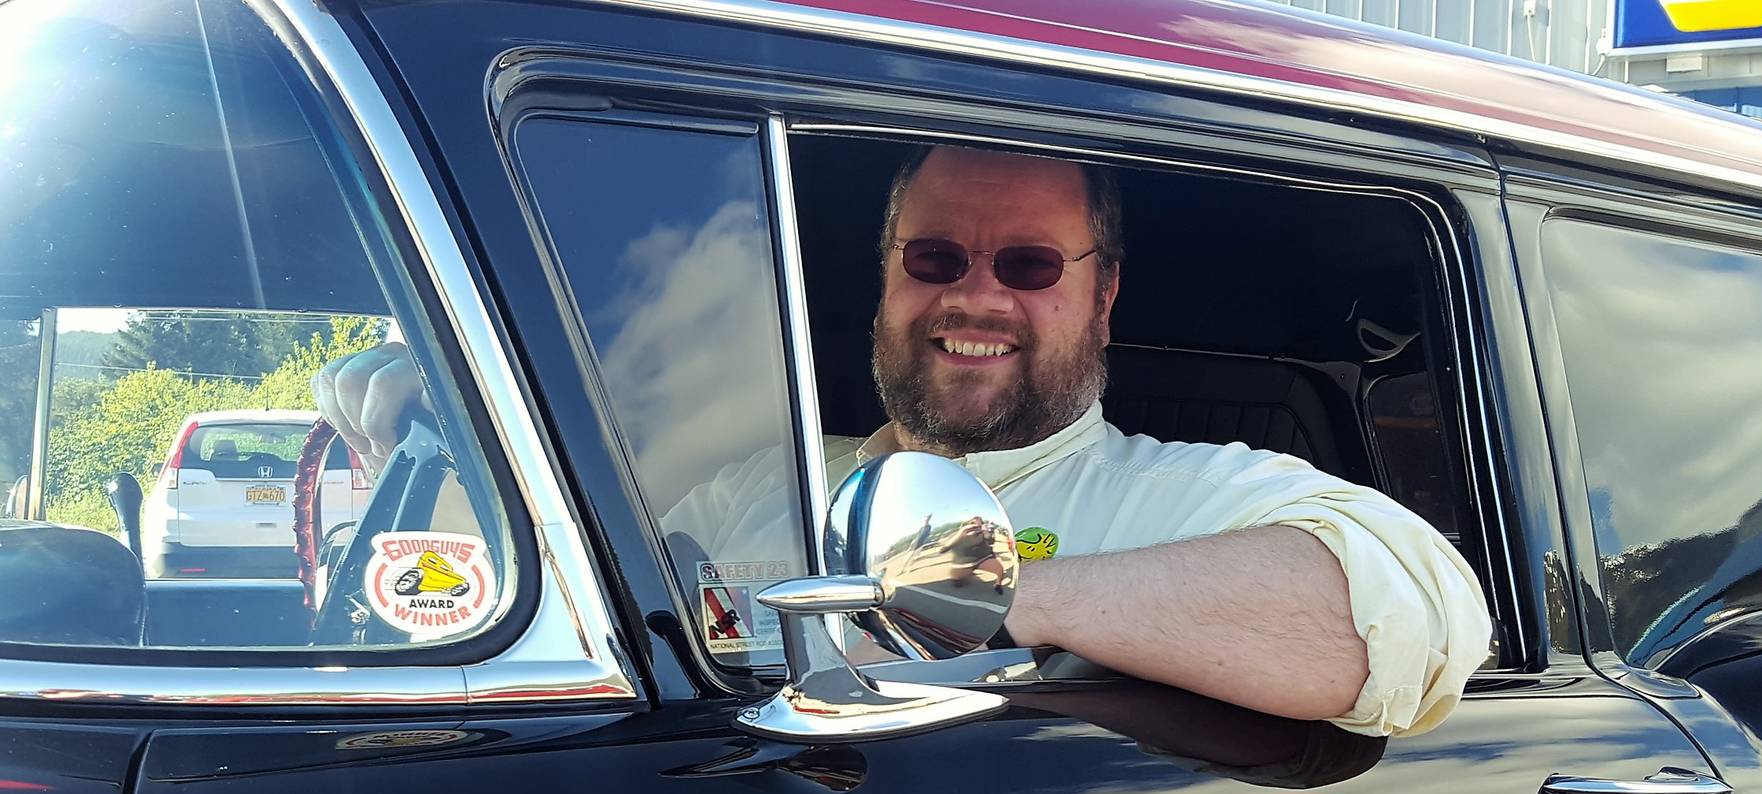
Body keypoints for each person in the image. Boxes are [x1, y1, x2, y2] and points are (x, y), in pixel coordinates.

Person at [315, 146, 1489, 737]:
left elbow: (1420, 625)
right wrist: (446, 454)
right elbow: (525, 624)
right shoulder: (757, 481)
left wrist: (986, 593)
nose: (974, 299)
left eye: (1027, 265)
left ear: (1104, 296)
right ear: (884, 282)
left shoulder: (1183, 497)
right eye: (934, 259)